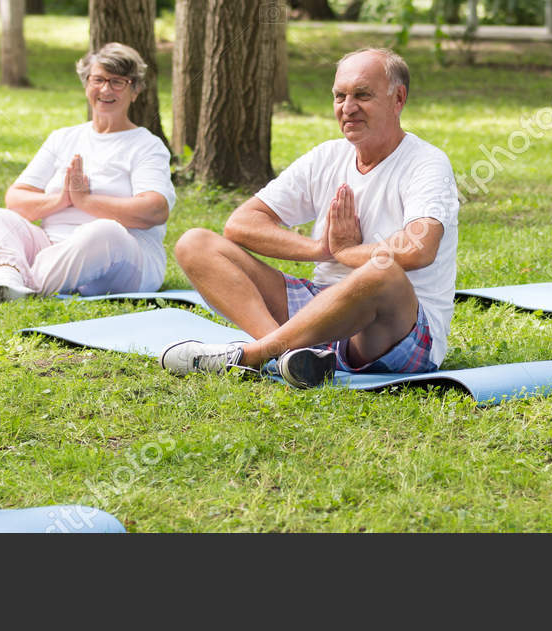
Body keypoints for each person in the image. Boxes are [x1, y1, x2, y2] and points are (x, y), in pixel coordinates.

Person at [161, 48, 459, 388]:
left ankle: (255, 354)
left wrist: (348, 253)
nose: (348, 108)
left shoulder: (426, 163)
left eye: (362, 95)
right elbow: (241, 224)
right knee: (195, 243)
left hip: (394, 329)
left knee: (382, 271)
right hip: (319, 306)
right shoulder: (327, 157)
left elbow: (419, 247)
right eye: (339, 96)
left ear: (398, 98)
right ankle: (289, 357)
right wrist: (321, 249)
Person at [0, 42, 176, 302]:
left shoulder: (146, 145)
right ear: (87, 85)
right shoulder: (63, 138)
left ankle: (9, 281)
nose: (106, 89)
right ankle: (7, 283)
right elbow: (16, 200)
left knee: (105, 231)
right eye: (98, 79)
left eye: (118, 82)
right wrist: (61, 199)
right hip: (54, 249)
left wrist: (86, 201)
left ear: (135, 90)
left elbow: (154, 210)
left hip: (124, 257)